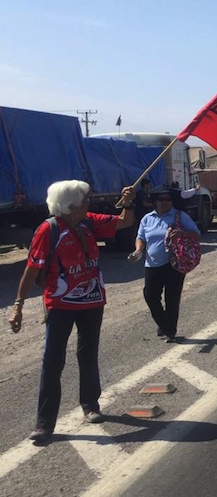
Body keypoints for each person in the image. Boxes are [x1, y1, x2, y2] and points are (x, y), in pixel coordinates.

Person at [8, 180, 135, 443]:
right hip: (60, 305)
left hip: (92, 302)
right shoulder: (48, 230)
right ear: (70, 205)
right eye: (84, 199)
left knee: (87, 354)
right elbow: (32, 269)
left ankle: (90, 406)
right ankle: (44, 424)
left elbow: (124, 222)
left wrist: (129, 201)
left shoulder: (88, 221)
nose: (89, 203)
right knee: (52, 361)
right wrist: (18, 306)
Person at [129, 187, 201, 343]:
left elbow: (196, 234)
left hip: (174, 263)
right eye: (161, 199)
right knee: (150, 295)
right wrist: (138, 250)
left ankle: (170, 330)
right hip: (152, 264)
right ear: (155, 201)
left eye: (168, 199)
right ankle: (164, 324)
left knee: (172, 298)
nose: (165, 202)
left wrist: (182, 233)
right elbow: (141, 237)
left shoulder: (179, 216)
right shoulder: (147, 218)